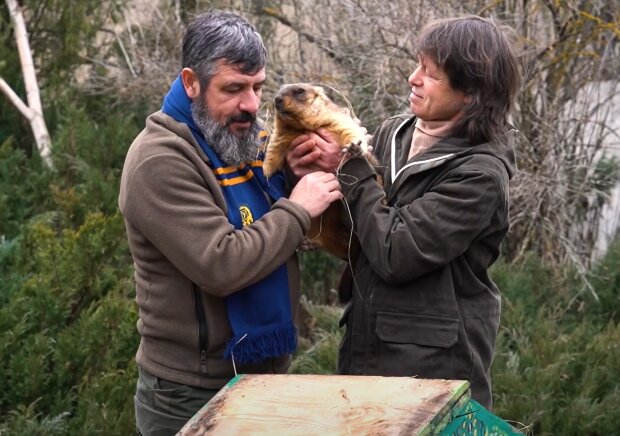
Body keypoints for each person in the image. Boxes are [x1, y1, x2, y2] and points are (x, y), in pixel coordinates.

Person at [118, 10, 342, 435]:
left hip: (264, 375)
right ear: (191, 83)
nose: (252, 105)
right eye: (234, 89)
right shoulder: (159, 161)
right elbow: (221, 265)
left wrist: (292, 175)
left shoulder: (238, 137)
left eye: (258, 87)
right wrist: (297, 208)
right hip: (192, 392)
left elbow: (279, 228)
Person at [287, 15, 521, 409]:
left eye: (430, 74)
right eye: (417, 65)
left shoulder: (480, 174)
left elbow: (397, 252)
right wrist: (320, 176)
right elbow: (360, 229)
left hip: (431, 372)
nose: (413, 78)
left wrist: (350, 167)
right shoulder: (394, 132)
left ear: (470, 92)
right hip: (365, 350)